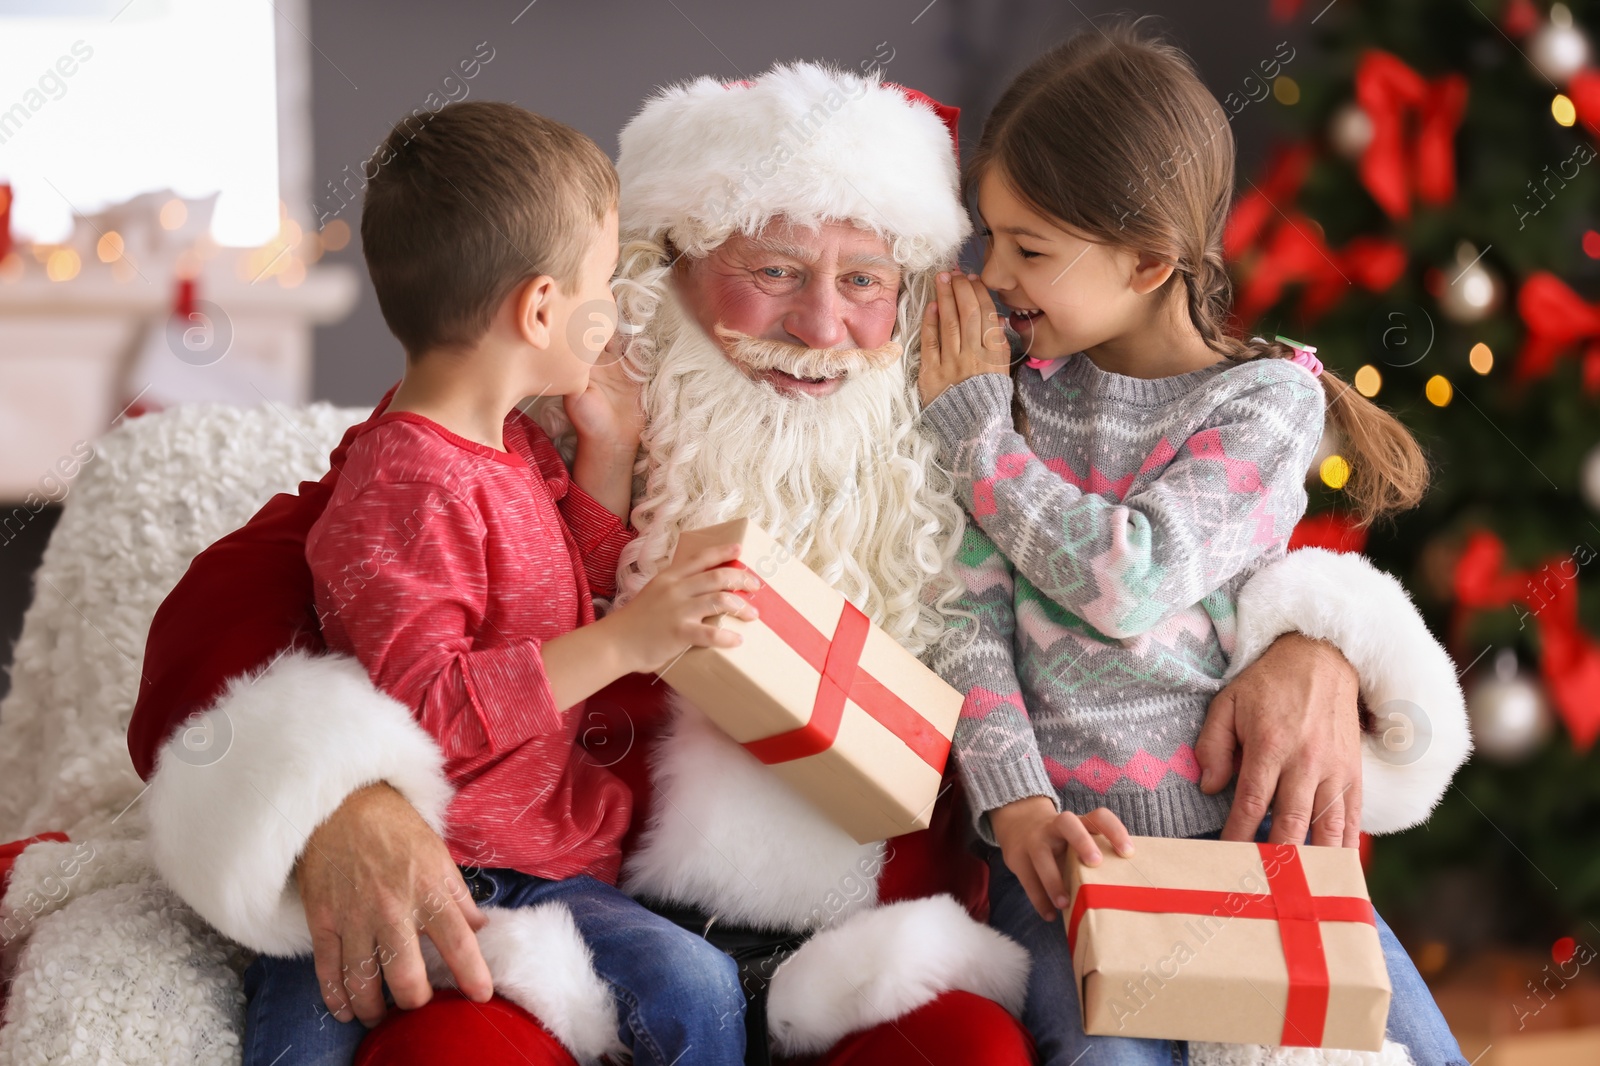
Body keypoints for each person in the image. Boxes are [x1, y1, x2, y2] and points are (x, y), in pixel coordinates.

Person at [126, 65, 1468, 1066]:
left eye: (866, 280)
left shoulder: (974, 432)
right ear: (658, 275)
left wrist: (1314, 641)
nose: (820, 326)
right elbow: (242, 592)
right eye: (769, 270)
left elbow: (1181, 561)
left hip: (886, 949)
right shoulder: (533, 428)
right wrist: (349, 787)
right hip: (586, 929)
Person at [918, 24, 1471, 1066]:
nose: (993, 273)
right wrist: (1019, 805)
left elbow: (1131, 577)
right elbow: (967, 615)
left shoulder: (1261, 403)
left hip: (1248, 861)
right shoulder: (1016, 400)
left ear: (1149, 260)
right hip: (1071, 866)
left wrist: (974, 439)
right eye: (990, 235)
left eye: (1030, 248)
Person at [222, 101, 755, 1066]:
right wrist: (632, 639)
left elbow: (559, 592)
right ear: (543, 309)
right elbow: (424, 709)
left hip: (545, 865)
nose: (616, 307)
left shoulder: (508, 445)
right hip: (419, 866)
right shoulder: (404, 486)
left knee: (698, 987)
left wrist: (611, 448)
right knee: (309, 1028)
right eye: (603, 283)